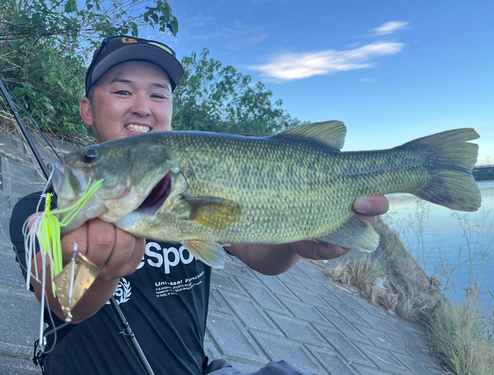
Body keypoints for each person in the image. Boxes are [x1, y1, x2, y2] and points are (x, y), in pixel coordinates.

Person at [10, 36, 389, 375]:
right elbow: (64, 303)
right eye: (123, 92)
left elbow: (259, 256)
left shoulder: (185, 182)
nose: (143, 107)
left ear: (171, 112)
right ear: (88, 109)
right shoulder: (42, 209)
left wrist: (294, 242)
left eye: (159, 95)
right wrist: (99, 273)